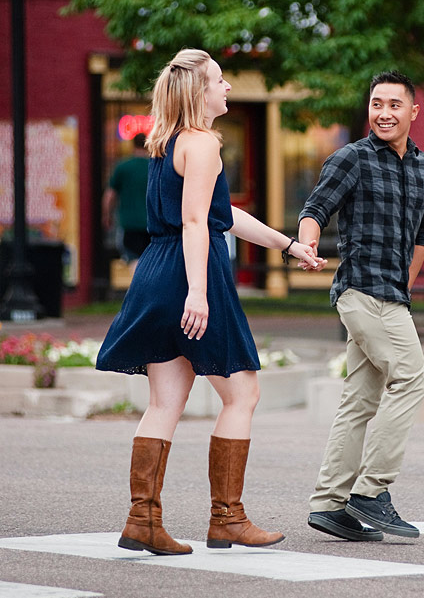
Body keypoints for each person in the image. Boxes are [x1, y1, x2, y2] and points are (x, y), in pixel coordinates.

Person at [96, 48, 321, 556]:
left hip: (156, 269)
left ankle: (142, 522)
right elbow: (198, 224)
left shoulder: (166, 143)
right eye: (220, 81)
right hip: (189, 274)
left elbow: (221, 214)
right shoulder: (203, 143)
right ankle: (228, 519)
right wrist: (198, 293)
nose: (227, 89)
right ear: (200, 92)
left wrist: (287, 245)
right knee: (242, 394)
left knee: (163, 403)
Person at [298, 71, 424, 541]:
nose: (384, 113)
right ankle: (371, 492)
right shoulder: (351, 158)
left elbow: (423, 238)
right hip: (359, 291)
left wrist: (405, 291)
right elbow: (315, 209)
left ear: (413, 112)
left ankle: (330, 503)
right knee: (412, 379)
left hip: (393, 297)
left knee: (359, 403)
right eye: (377, 104)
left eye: (395, 105)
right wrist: (308, 246)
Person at [102, 133, 150, 268]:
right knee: (149, 263)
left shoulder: (122, 167)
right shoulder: (153, 166)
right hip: (151, 226)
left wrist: (107, 216)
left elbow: (109, 196)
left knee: (131, 261)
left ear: (132, 145)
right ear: (148, 145)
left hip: (128, 224)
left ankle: (136, 286)